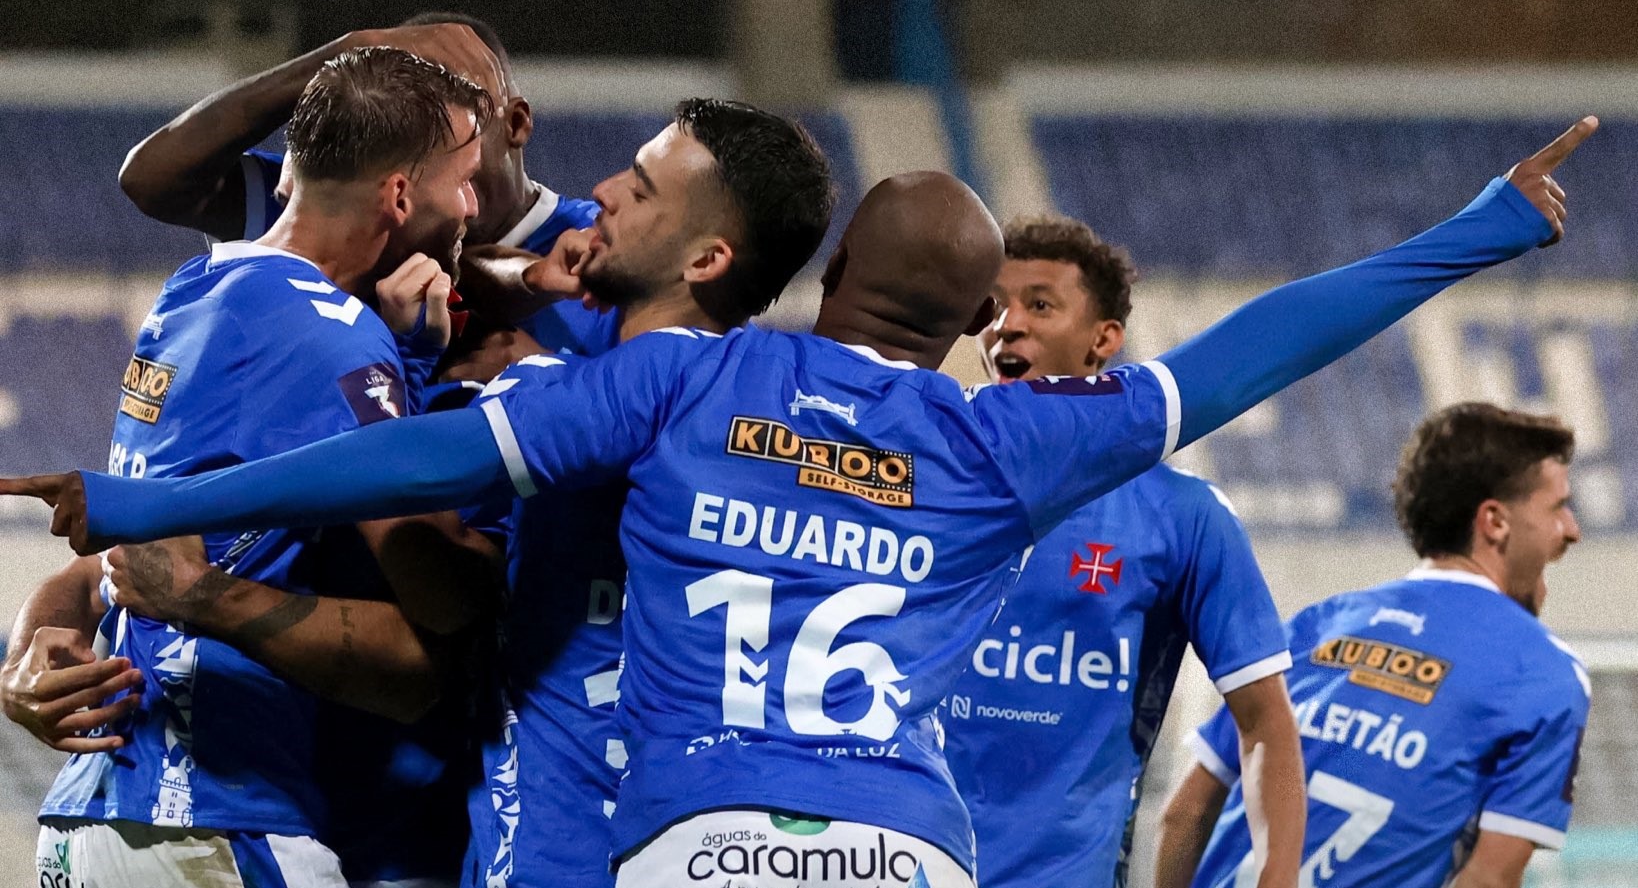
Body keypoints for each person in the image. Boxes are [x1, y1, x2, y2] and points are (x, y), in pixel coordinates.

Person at [3, 119, 1594, 888]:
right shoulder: (998, 443)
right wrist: (1467, 230)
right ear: (974, 325)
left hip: (680, 835)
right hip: (904, 846)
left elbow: (418, 463)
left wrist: (144, 495)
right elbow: (1257, 349)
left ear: (818, 278)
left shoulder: (684, 381)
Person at [98, 97, 835, 888]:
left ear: (706, 259)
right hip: (639, 838)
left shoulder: (563, 403)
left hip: (573, 843)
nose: (605, 193)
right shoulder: (781, 419)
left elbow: (439, 579)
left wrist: (171, 543)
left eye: (642, 188)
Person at [2, 46, 490, 887]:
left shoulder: (194, 290)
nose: (474, 206)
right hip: (214, 826)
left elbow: (140, 552)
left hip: (102, 817)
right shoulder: (333, 334)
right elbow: (436, 626)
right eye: (467, 179)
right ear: (400, 196)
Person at [942, 216, 1302, 888]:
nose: (1006, 324)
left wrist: (1278, 876)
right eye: (994, 305)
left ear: (1103, 339)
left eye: (1039, 304)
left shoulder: (1182, 517)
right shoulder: (921, 476)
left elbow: (1264, 720)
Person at [1157, 402, 1589, 888]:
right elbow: (1487, 880)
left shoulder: (1318, 625)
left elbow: (1186, 814)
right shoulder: (1543, 672)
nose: (1571, 528)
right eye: (1557, 507)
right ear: (1494, 522)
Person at [117, 11, 606, 371]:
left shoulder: (599, 244)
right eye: (413, 123)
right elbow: (151, 180)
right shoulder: (337, 210)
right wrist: (341, 56)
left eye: (459, 129)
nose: (425, 146)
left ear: (516, 124)